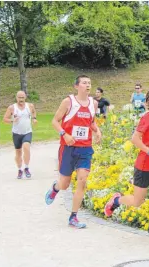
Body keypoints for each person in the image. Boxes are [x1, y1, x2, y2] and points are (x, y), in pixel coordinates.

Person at [104, 85, 149, 253]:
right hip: (145, 164)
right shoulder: (148, 117)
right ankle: (116, 200)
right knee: (138, 201)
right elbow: (135, 139)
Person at [44, 75, 102, 229]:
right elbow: (55, 121)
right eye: (84, 83)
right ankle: (55, 188)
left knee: (82, 180)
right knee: (64, 184)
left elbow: (91, 122)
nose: (87, 85)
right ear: (77, 86)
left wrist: (97, 131)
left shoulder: (94, 104)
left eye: (89, 83)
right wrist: (65, 134)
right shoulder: (68, 102)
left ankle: (73, 217)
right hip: (68, 148)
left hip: (85, 148)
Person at [2, 91, 37, 179]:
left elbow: (33, 112)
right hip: (16, 133)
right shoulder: (12, 108)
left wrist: (34, 119)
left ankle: (26, 167)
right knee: (18, 153)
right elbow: (5, 119)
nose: (21, 99)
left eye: (22, 97)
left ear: (25, 97)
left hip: (27, 132)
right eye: (19, 97)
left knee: (26, 148)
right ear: (16, 97)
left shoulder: (30, 106)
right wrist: (13, 120)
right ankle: (20, 169)